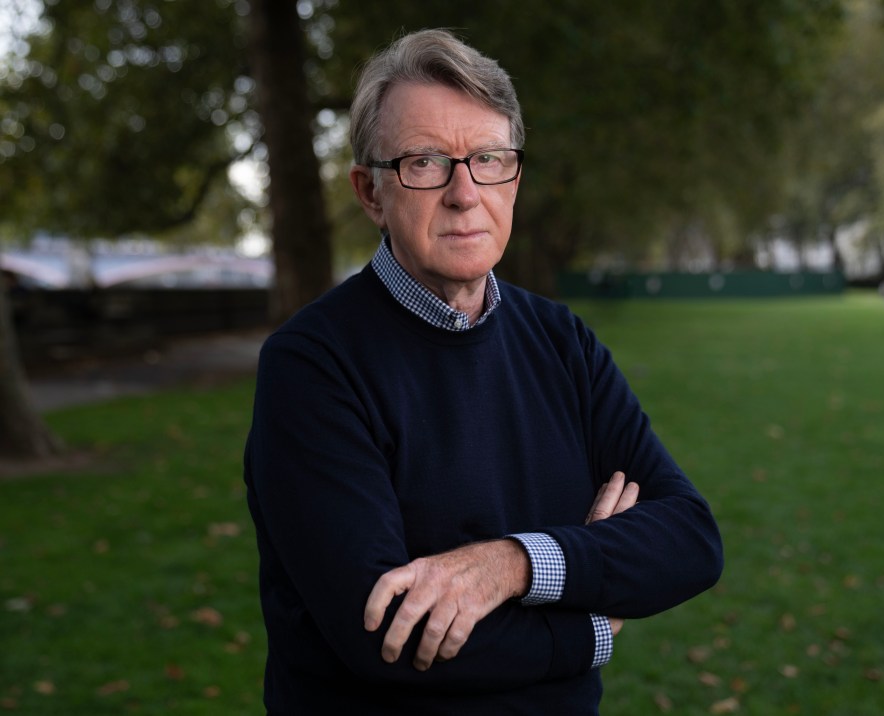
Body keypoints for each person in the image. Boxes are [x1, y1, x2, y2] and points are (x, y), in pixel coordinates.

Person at [243, 28, 723, 715]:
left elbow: (690, 540)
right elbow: (386, 634)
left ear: (515, 177)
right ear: (370, 192)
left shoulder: (563, 342)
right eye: (426, 162)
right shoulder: (312, 366)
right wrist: (592, 617)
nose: (465, 193)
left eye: (489, 159)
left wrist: (513, 565)